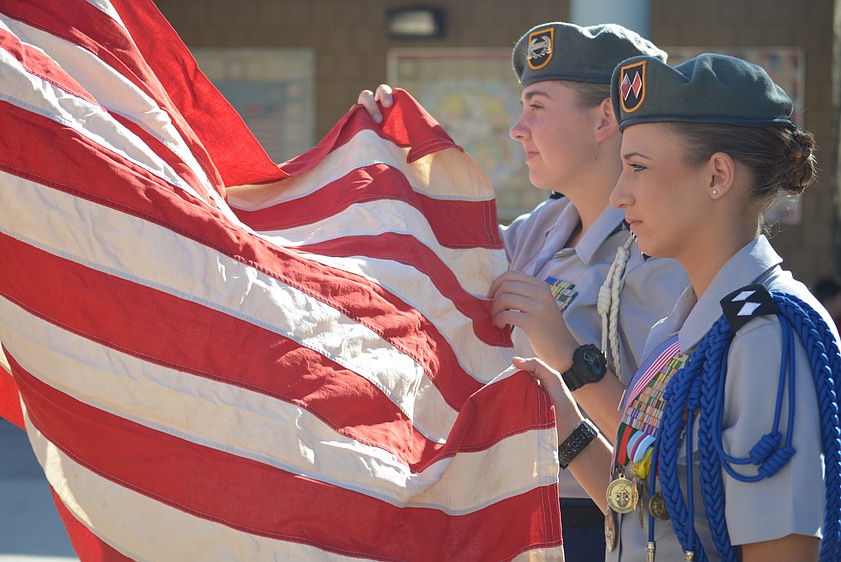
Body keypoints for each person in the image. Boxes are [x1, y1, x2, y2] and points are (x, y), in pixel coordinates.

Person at [359, 22, 689, 561]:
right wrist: (386, 154)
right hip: (515, 512)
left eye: (537, 105)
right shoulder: (545, 227)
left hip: (601, 521)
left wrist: (567, 355)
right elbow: (438, 263)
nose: (517, 128)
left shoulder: (662, 254)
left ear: (606, 118)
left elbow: (660, 438)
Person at [511, 52, 841, 561]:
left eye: (636, 168)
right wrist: (568, 425)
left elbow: (782, 552)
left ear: (717, 176)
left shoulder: (767, 336)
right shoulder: (685, 323)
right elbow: (651, 520)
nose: (619, 195)